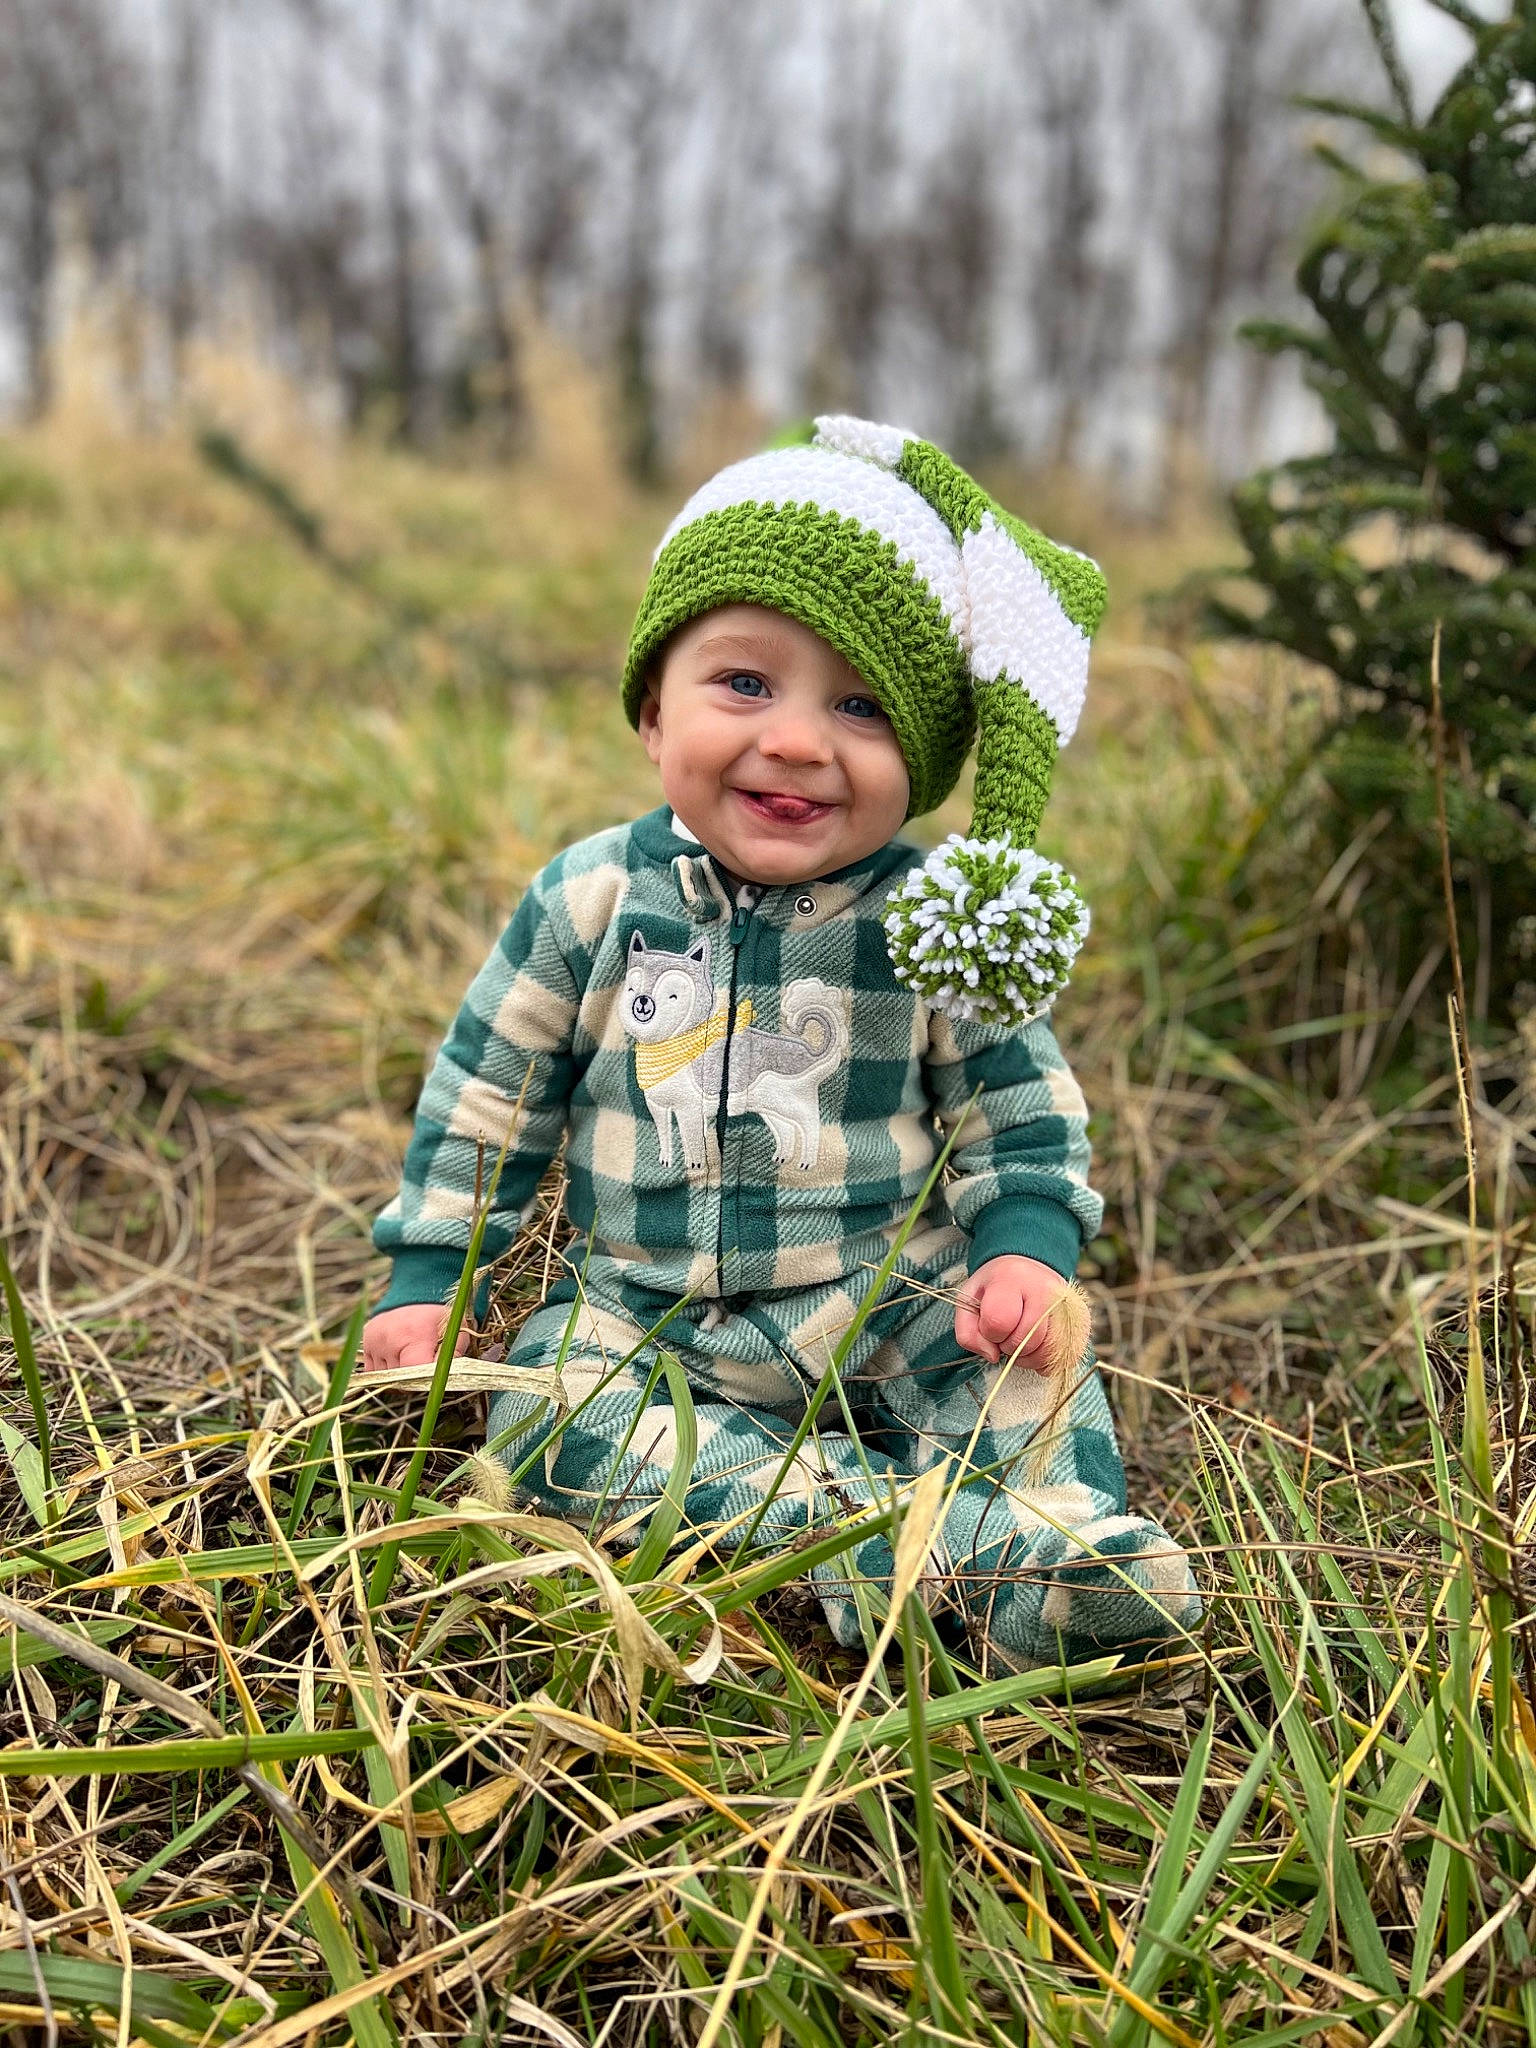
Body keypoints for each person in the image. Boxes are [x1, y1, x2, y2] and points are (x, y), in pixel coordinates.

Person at [362, 415, 1200, 1669]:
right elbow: (490, 1099)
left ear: (917, 766)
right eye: (745, 683)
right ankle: (892, 1540)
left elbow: (1018, 1112)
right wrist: (434, 1281)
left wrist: (1024, 1252)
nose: (800, 739)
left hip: (883, 1295)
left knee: (1032, 1371)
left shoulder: (933, 922)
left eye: (861, 706)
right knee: (546, 1423)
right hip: (645, 1317)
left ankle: (1058, 1549)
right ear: (654, 712)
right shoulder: (591, 901)